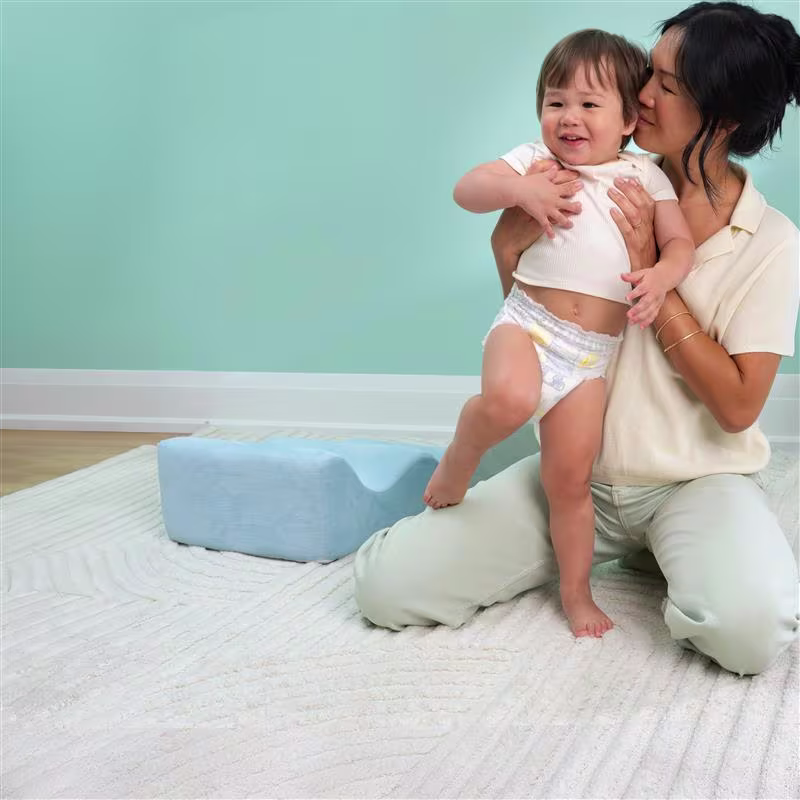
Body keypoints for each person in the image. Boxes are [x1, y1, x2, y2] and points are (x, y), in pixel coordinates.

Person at [354, 1, 800, 675]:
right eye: (650, 73)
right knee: (388, 587)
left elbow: (739, 409)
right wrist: (508, 244)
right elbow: (546, 320)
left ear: (725, 116)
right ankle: (606, 549)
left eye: (668, 86)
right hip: (577, 472)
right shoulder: (581, 175)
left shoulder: (769, 241)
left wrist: (661, 282)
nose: (642, 94)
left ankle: (678, 549)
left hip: (693, 481)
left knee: (751, 632)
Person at [422, 29, 695, 639]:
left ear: (630, 117)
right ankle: (460, 458)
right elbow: (467, 188)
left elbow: (679, 245)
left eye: (589, 104)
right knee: (510, 401)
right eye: (555, 101)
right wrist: (519, 189)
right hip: (527, 323)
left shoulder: (647, 179)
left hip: (591, 357)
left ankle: (575, 593)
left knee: (570, 482)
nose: (569, 117)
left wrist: (661, 275)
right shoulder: (536, 163)